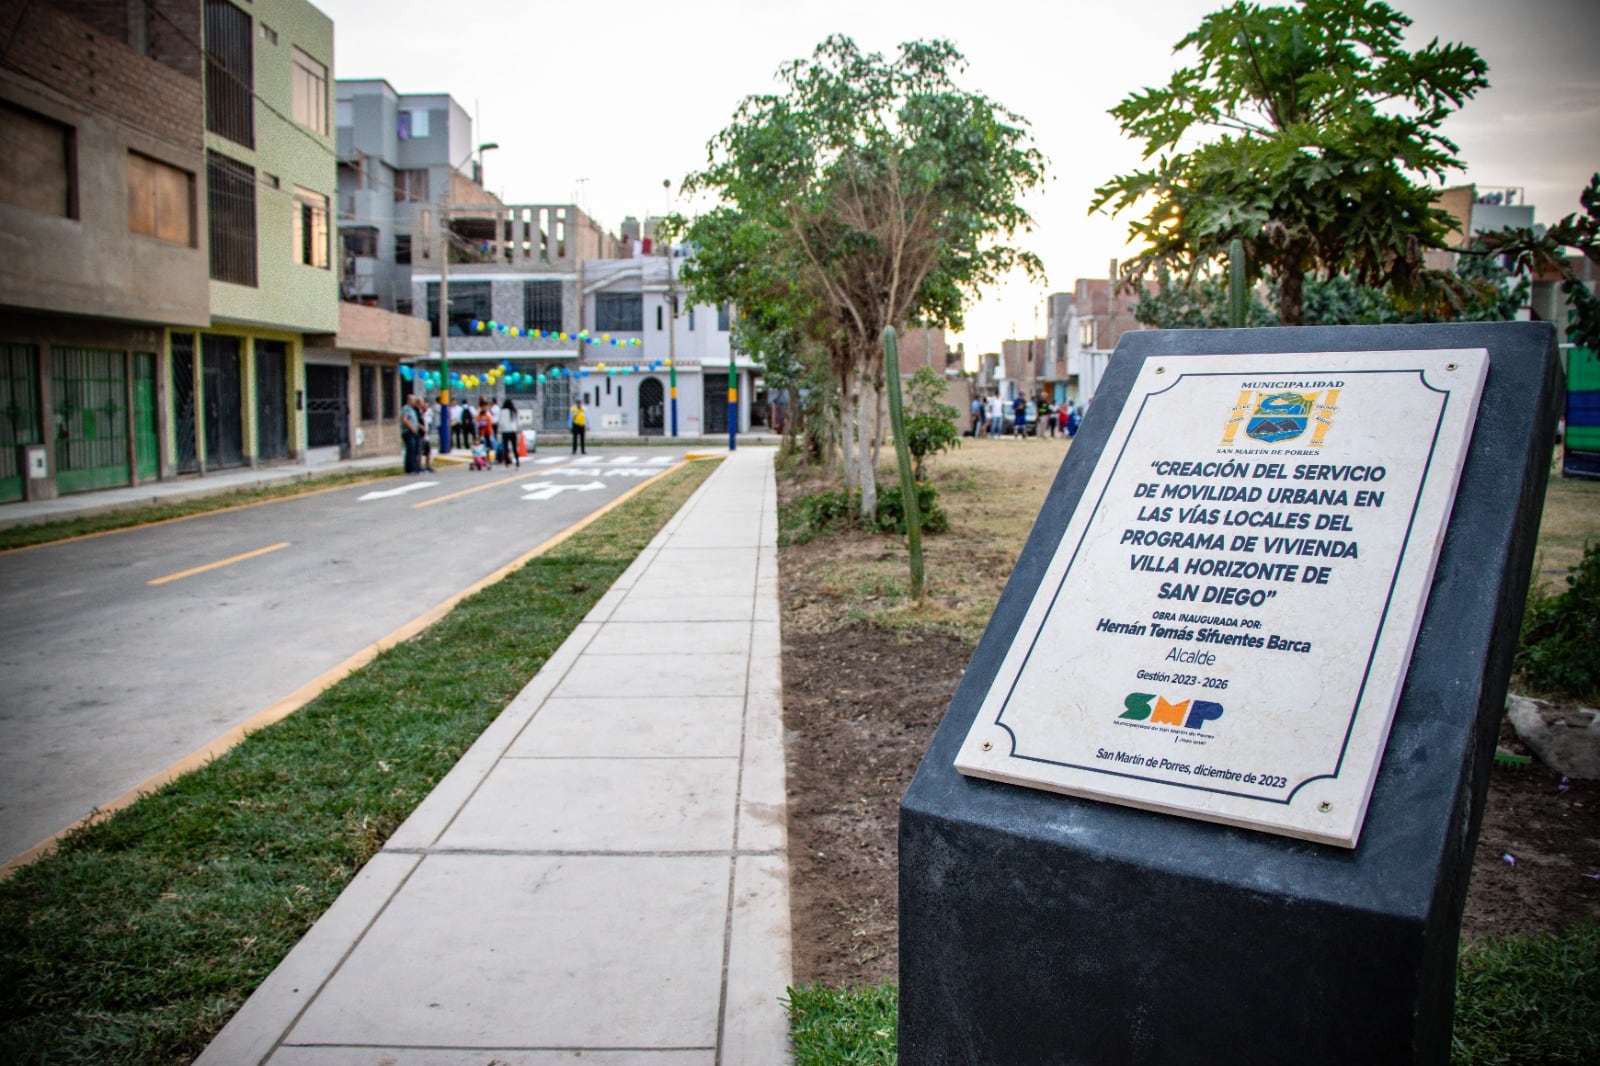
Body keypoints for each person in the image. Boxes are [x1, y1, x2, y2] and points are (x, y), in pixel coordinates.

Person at [399, 392, 422, 473]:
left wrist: (421, 427)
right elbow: (405, 420)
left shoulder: (412, 409)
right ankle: (410, 468)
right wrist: (412, 429)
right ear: (409, 400)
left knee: (414, 450)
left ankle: (415, 467)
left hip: (413, 431)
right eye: (413, 400)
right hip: (408, 432)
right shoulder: (406, 408)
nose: (415, 401)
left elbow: (414, 421)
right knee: (410, 450)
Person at [497, 399, 521, 467]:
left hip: (505, 431)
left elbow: (501, 422)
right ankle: (517, 461)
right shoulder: (514, 411)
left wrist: (500, 429)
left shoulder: (502, 412)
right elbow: (518, 422)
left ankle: (507, 461)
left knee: (505, 447)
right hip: (513, 431)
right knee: (514, 447)